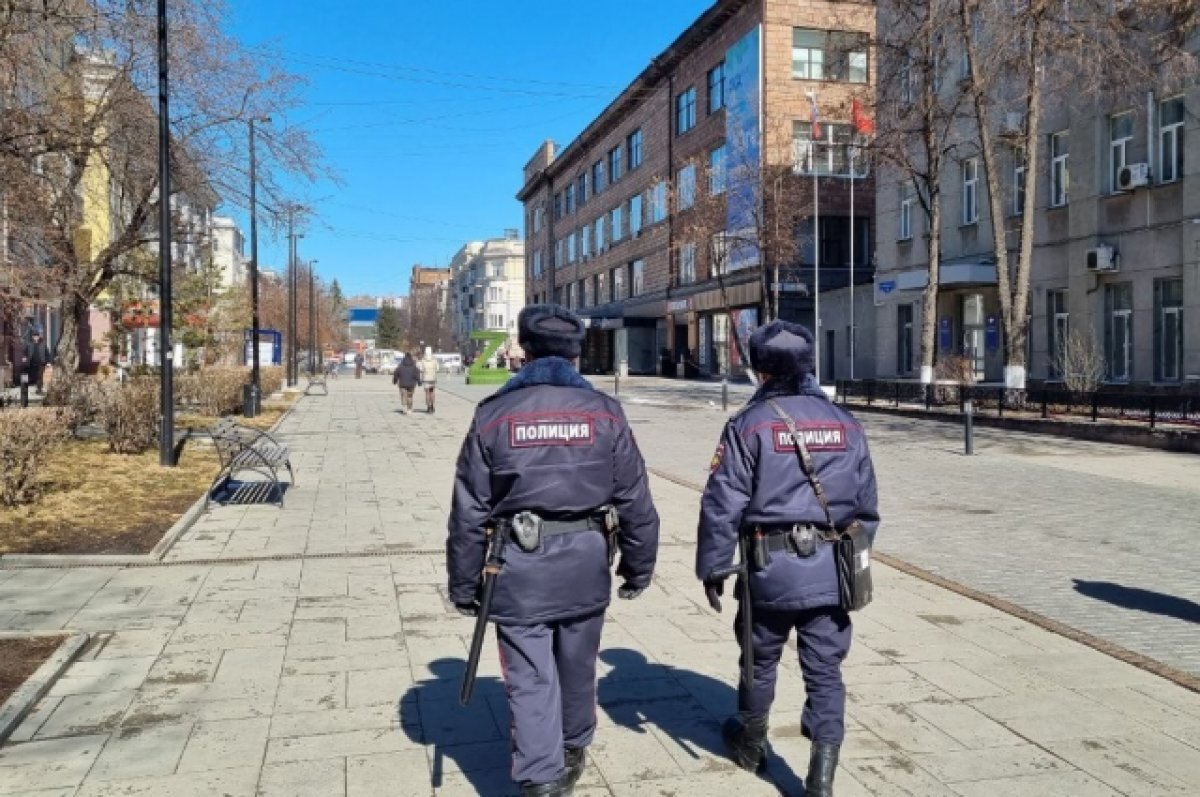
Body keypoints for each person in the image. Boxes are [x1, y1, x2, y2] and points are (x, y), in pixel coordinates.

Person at [447, 304, 660, 797]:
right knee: (578, 662)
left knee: (529, 676)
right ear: (576, 353)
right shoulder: (606, 413)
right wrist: (638, 566)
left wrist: (463, 585)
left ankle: (541, 779)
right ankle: (573, 746)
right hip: (586, 564)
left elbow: (468, 512)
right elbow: (635, 499)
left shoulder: (493, 415)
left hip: (516, 569)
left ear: (523, 350)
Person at [695, 320, 879, 797]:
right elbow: (867, 507)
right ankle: (821, 776)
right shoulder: (846, 423)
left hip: (768, 568)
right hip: (831, 570)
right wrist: (850, 557)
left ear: (759, 371)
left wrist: (713, 566)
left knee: (759, 658)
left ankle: (752, 745)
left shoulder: (748, 425)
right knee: (825, 667)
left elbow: (722, 502)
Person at [418, 348, 439, 413]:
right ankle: (432, 405)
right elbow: (437, 369)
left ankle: (428, 407)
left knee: (427, 393)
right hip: (433, 378)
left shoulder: (423, 360)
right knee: (432, 392)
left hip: (426, 378)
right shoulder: (434, 360)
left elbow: (421, 369)